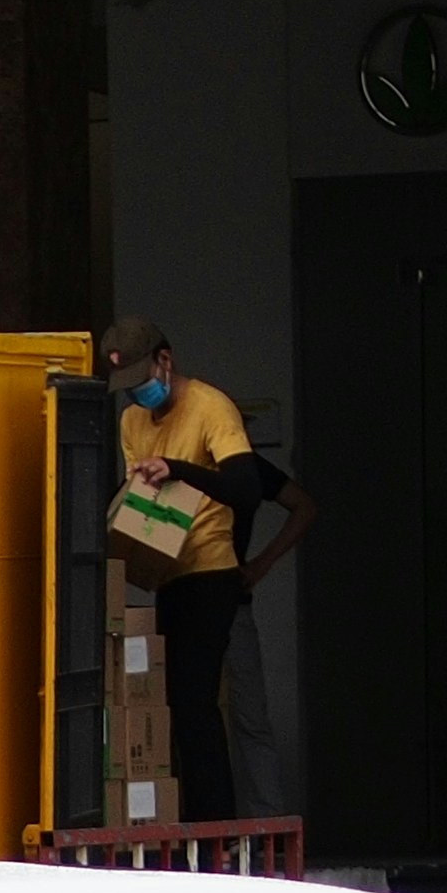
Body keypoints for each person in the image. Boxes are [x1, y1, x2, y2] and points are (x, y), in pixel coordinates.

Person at [103, 317, 306, 825]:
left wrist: (179, 470)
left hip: (213, 569)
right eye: (126, 391)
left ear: (165, 362)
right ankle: (194, 824)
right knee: (176, 705)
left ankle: (218, 828)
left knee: (198, 701)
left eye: (141, 384)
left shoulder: (211, 407)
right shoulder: (132, 424)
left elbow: (242, 487)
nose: (137, 398)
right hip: (169, 571)